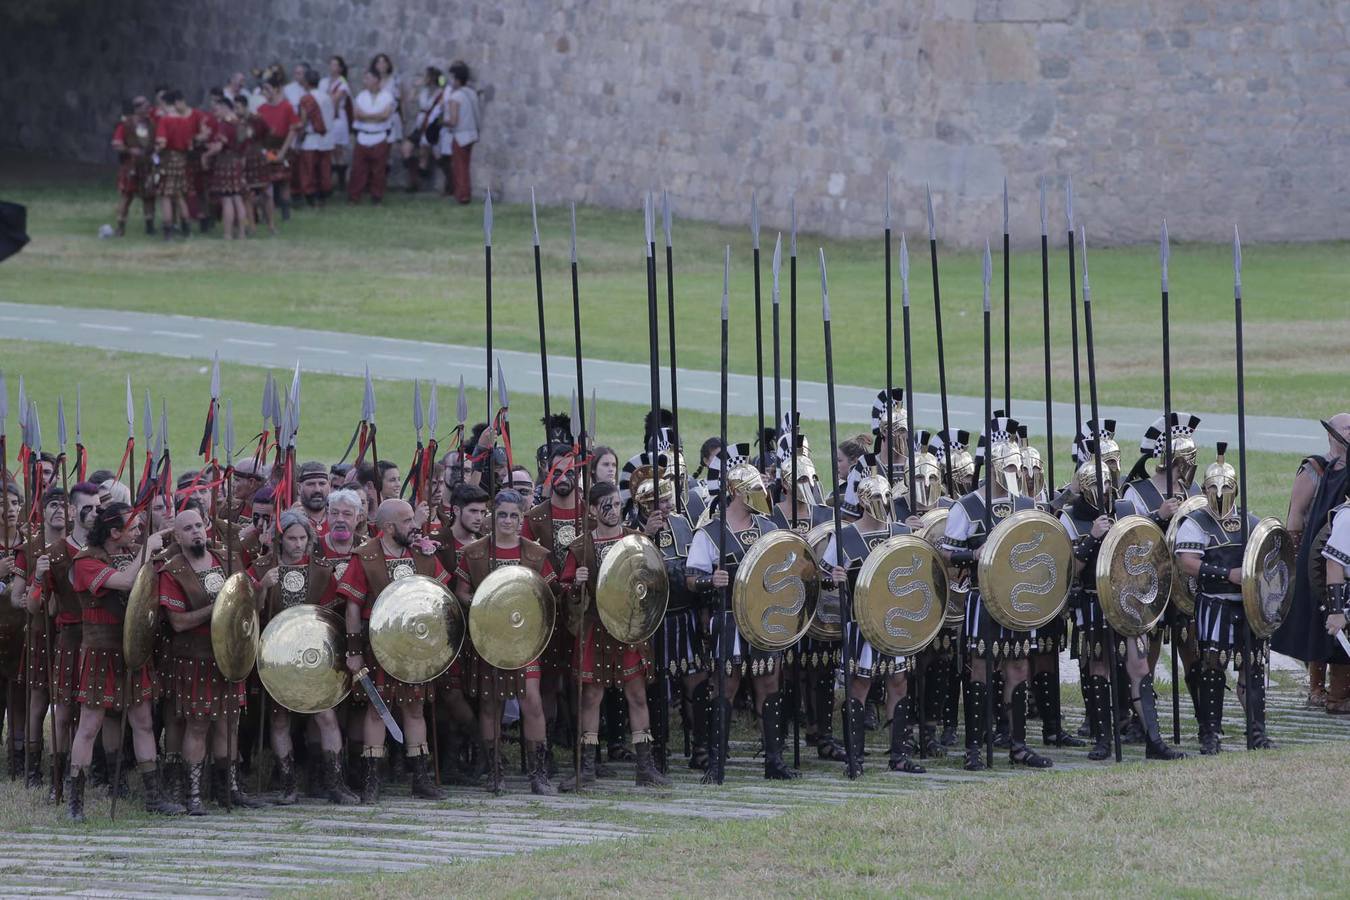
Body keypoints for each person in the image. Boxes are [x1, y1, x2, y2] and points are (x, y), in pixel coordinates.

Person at [1063, 439, 1185, 762]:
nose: (1105, 490)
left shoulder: (1125, 509)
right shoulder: (1070, 518)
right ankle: (1104, 738)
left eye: (1108, 483)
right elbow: (1070, 569)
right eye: (1097, 485)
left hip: (1127, 599)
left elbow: (1143, 542)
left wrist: (1157, 520)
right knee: (1100, 668)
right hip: (1092, 602)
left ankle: (1153, 739)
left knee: (1140, 665)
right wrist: (1092, 539)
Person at [941, 420, 1053, 771]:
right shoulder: (968, 506)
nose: (1013, 472)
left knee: (1019, 666)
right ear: (992, 467)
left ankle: (1018, 745)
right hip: (983, 598)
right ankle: (975, 746)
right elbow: (946, 552)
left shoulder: (1027, 504)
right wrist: (973, 555)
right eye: (1007, 466)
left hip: (1018, 598)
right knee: (981, 669)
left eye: (1017, 467)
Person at [67, 504, 183, 821]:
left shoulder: (131, 551)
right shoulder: (86, 561)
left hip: (133, 649)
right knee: (89, 726)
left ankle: (154, 797)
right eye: (132, 528)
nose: (137, 534)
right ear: (114, 532)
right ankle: (75, 803)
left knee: (143, 722)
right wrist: (147, 549)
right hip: (101, 652)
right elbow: (128, 582)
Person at [685, 443, 792, 780]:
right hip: (729, 617)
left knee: (768, 681)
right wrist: (709, 580)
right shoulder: (710, 533)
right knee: (726, 684)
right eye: (755, 489)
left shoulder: (768, 529)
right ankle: (717, 764)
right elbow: (691, 577)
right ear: (738, 492)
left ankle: (773, 761)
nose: (762, 494)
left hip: (763, 617)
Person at [558, 481, 669, 789]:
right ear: (592, 510)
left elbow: (653, 581)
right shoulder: (580, 548)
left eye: (617, 504)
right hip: (595, 628)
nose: (613, 510)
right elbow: (566, 597)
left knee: (636, 694)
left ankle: (645, 768)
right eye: (606, 505)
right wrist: (576, 585)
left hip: (629, 628)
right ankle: (588, 770)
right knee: (591, 696)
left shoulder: (637, 541)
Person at [338, 499, 447, 802]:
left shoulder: (422, 552)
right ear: (388, 527)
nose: (415, 525)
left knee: (415, 708)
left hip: (416, 645)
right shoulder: (366, 556)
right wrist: (354, 649)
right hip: (379, 645)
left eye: (413, 519)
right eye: (408, 520)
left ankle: (421, 778)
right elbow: (352, 606)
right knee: (378, 710)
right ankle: (372, 780)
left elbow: (440, 597)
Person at [248, 510, 358, 805]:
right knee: (280, 720)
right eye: (292, 538)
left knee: (325, 715)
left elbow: (332, 615)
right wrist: (262, 588)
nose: (298, 544)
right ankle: (287, 785)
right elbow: (249, 613)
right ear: (280, 539)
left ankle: (335, 783)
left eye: (303, 538)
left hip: (314, 655)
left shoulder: (321, 570)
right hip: (275, 657)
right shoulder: (261, 567)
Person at [824, 456, 925, 777]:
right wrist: (834, 577)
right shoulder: (845, 536)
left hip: (895, 618)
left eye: (886, 497)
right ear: (864, 501)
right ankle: (855, 757)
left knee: (898, 681)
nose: (883, 502)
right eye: (877, 497)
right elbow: (823, 575)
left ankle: (899, 754)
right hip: (861, 622)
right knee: (860, 685)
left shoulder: (898, 531)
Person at [453, 489, 559, 795]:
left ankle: (538, 774)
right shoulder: (474, 553)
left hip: (525, 641)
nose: (508, 521)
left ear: (522, 517)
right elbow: (461, 591)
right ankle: (494, 771)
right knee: (491, 703)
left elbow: (548, 593)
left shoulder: (535, 555)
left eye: (514, 516)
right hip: (488, 640)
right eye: (502, 515)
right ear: (492, 516)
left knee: (532, 702)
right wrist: (482, 604)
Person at [1174, 442, 1274, 753]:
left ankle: (1257, 733)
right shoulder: (1195, 523)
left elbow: (1268, 559)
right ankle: (1210, 734)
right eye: (1212, 487)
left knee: (1253, 668)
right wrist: (1224, 574)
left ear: (1235, 489)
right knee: (1212, 667)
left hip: (1247, 606)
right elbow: (1186, 562)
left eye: (1225, 486)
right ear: (1204, 489)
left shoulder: (1251, 523)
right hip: (1214, 603)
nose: (1219, 493)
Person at [158, 509, 260, 814]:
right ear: (177, 537)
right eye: (187, 529)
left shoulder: (225, 558)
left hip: (229, 656)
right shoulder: (172, 570)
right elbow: (177, 622)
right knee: (198, 725)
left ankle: (227, 789)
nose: (196, 532)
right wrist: (216, 609)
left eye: (199, 526)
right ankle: (192, 793)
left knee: (229, 724)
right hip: (195, 657)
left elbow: (245, 597)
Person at [1123, 413, 1205, 729]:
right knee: (1149, 654)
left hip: (1185, 584)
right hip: (1150, 582)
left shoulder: (1196, 489)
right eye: (1186, 458)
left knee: (1192, 649)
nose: (1190, 465)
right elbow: (1130, 539)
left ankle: (1204, 718)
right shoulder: (1137, 492)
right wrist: (1159, 515)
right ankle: (1146, 721)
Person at [1276, 414, 1350, 710]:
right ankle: (1317, 688)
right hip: (1315, 554)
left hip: (1341, 549)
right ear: (1332, 434)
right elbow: (1296, 514)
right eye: (1347, 427)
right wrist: (1295, 556)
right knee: (1316, 620)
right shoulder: (1317, 467)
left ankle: (1339, 689)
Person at [153, 89, 198, 240]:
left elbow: (162, 142)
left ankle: (168, 232)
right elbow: (189, 144)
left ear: (165, 103)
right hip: (181, 160)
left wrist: (155, 152)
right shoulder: (185, 120)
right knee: (179, 195)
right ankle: (187, 230)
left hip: (168, 160)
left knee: (166, 196)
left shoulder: (165, 120)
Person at [110, 95, 157, 236]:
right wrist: (129, 150)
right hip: (130, 165)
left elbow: (155, 142)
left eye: (148, 106)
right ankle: (120, 227)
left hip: (147, 164)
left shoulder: (152, 124)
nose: (148, 109)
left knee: (149, 196)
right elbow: (116, 144)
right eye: (145, 106)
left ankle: (149, 227)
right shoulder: (126, 124)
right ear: (137, 108)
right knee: (126, 195)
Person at [202, 94, 247, 240]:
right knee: (238, 198)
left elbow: (220, 146)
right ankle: (241, 233)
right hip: (238, 161)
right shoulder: (240, 122)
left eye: (218, 109)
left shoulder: (225, 124)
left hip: (226, 162)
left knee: (227, 199)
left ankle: (227, 234)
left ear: (225, 108)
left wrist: (206, 155)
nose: (216, 112)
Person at [256, 76, 301, 221]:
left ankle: (285, 214)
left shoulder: (286, 106)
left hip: (282, 146)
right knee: (265, 181)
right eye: (263, 89)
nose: (265, 92)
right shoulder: (261, 109)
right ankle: (266, 214)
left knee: (284, 182)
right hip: (266, 148)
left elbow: (293, 129)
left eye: (268, 89)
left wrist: (282, 152)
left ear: (276, 89)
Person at [348, 67, 395, 204]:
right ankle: (354, 196)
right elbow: (357, 115)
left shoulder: (387, 96)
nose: (365, 81)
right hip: (363, 135)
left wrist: (367, 116)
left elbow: (385, 115)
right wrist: (375, 116)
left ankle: (376, 197)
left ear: (376, 80)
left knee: (378, 170)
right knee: (358, 169)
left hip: (379, 136)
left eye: (368, 78)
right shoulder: (361, 96)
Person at [403, 66, 444, 193]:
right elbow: (410, 100)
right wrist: (415, 87)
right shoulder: (424, 91)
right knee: (407, 148)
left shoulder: (440, 92)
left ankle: (417, 183)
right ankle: (413, 178)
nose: (424, 79)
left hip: (431, 124)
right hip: (420, 124)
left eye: (426, 76)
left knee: (424, 153)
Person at [296, 67, 333, 207]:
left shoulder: (306, 99)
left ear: (306, 82)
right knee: (324, 170)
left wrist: (299, 137)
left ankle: (311, 199)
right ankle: (323, 197)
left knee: (308, 170)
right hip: (327, 138)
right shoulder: (327, 97)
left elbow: (304, 121)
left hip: (311, 138)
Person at [444, 60, 479, 205]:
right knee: (465, 165)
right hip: (472, 133)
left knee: (459, 167)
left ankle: (462, 195)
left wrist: (442, 122)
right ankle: (465, 193)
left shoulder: (456, 96)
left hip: (460, 135)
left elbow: (453, 120)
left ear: (457, 79)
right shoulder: (471, 93)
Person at [319, 56, 353, 192]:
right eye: (331, 64)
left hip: (338, 118)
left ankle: (341, 181)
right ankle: (329, 181)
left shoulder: (342, 83)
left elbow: (333, 100)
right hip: (326, 117)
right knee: (329, 149)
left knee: (338, 150)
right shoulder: (324, 81)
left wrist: (324, 99)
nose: (332, 67)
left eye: (335, 65)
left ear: (340, 68)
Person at [296, 461, 331, 534]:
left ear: (329, 485)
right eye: (310, 484)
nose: (317, 489)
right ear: (299, 488)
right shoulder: (290, 521)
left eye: (322, 484)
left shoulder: (338, 518)